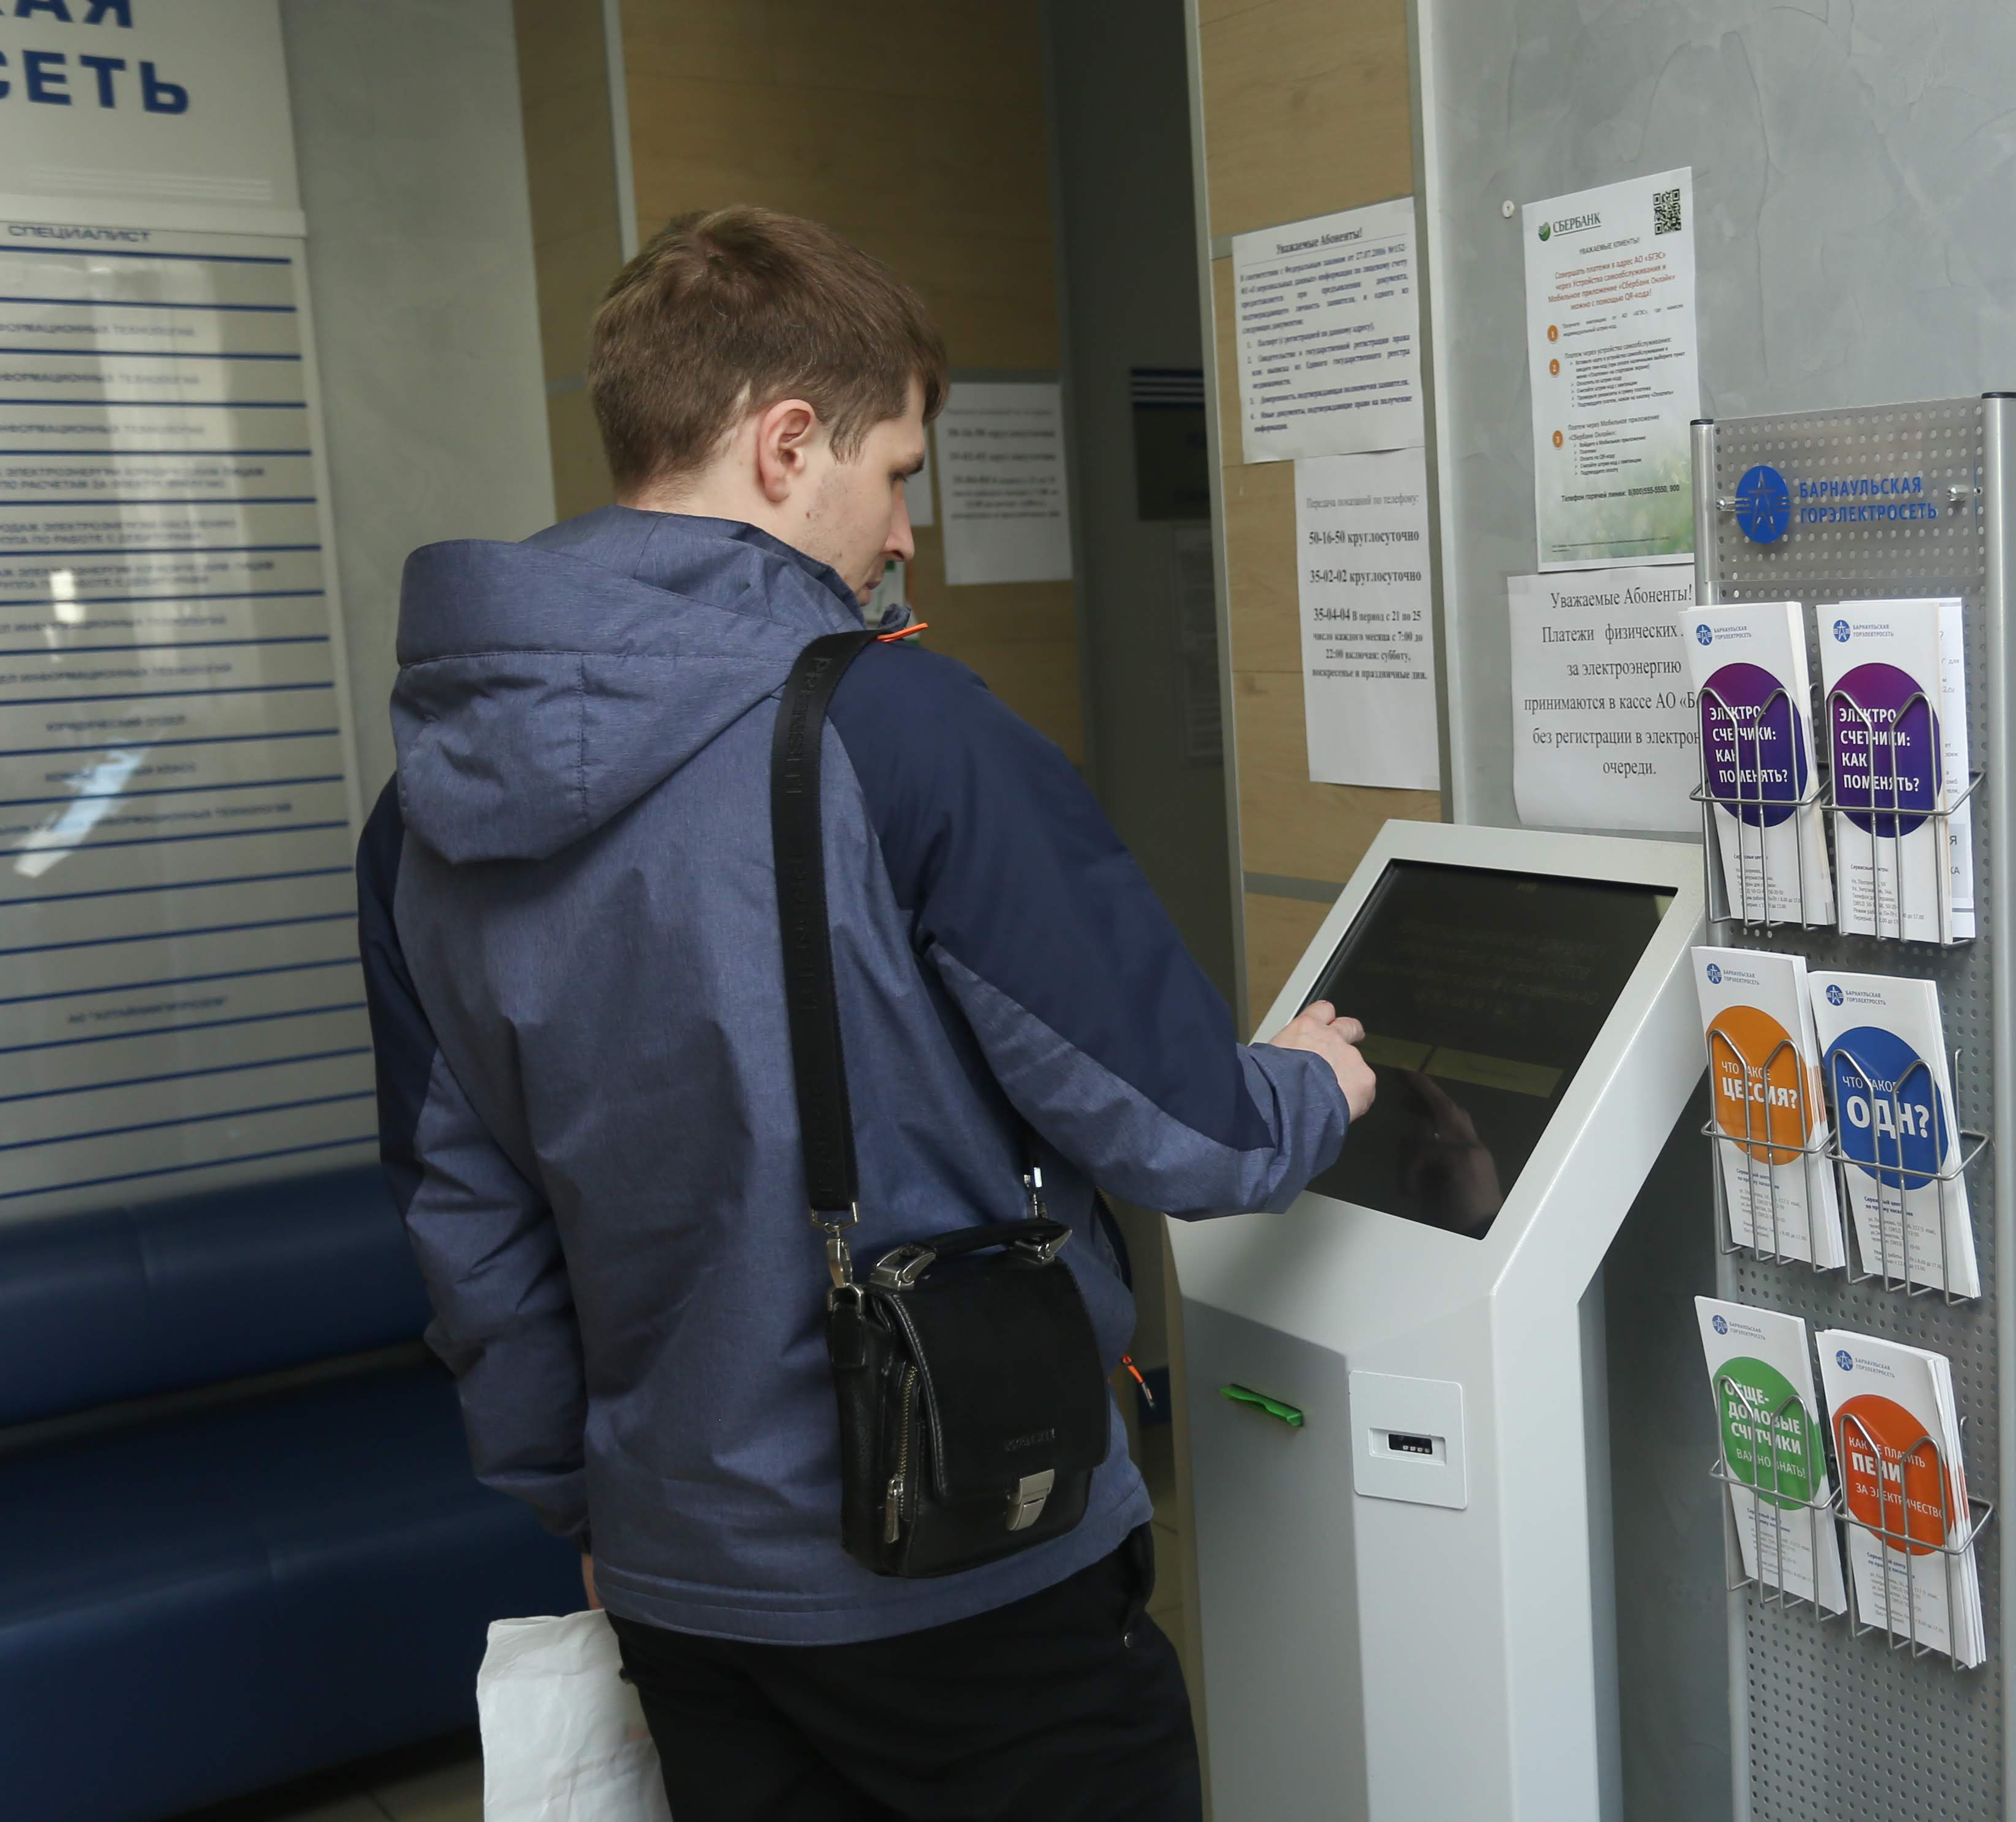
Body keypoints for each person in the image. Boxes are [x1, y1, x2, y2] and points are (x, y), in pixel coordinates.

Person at [355, 206, 1375, 1822]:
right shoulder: (901, 731)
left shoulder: (423, 810)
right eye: (896, 471)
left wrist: (594, 1507)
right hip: (968, 1556)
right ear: (783, 446)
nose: (906, 532)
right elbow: (1186, 1132)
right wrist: (1313, 1085)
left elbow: (470, 1225)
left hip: (681, 1578)